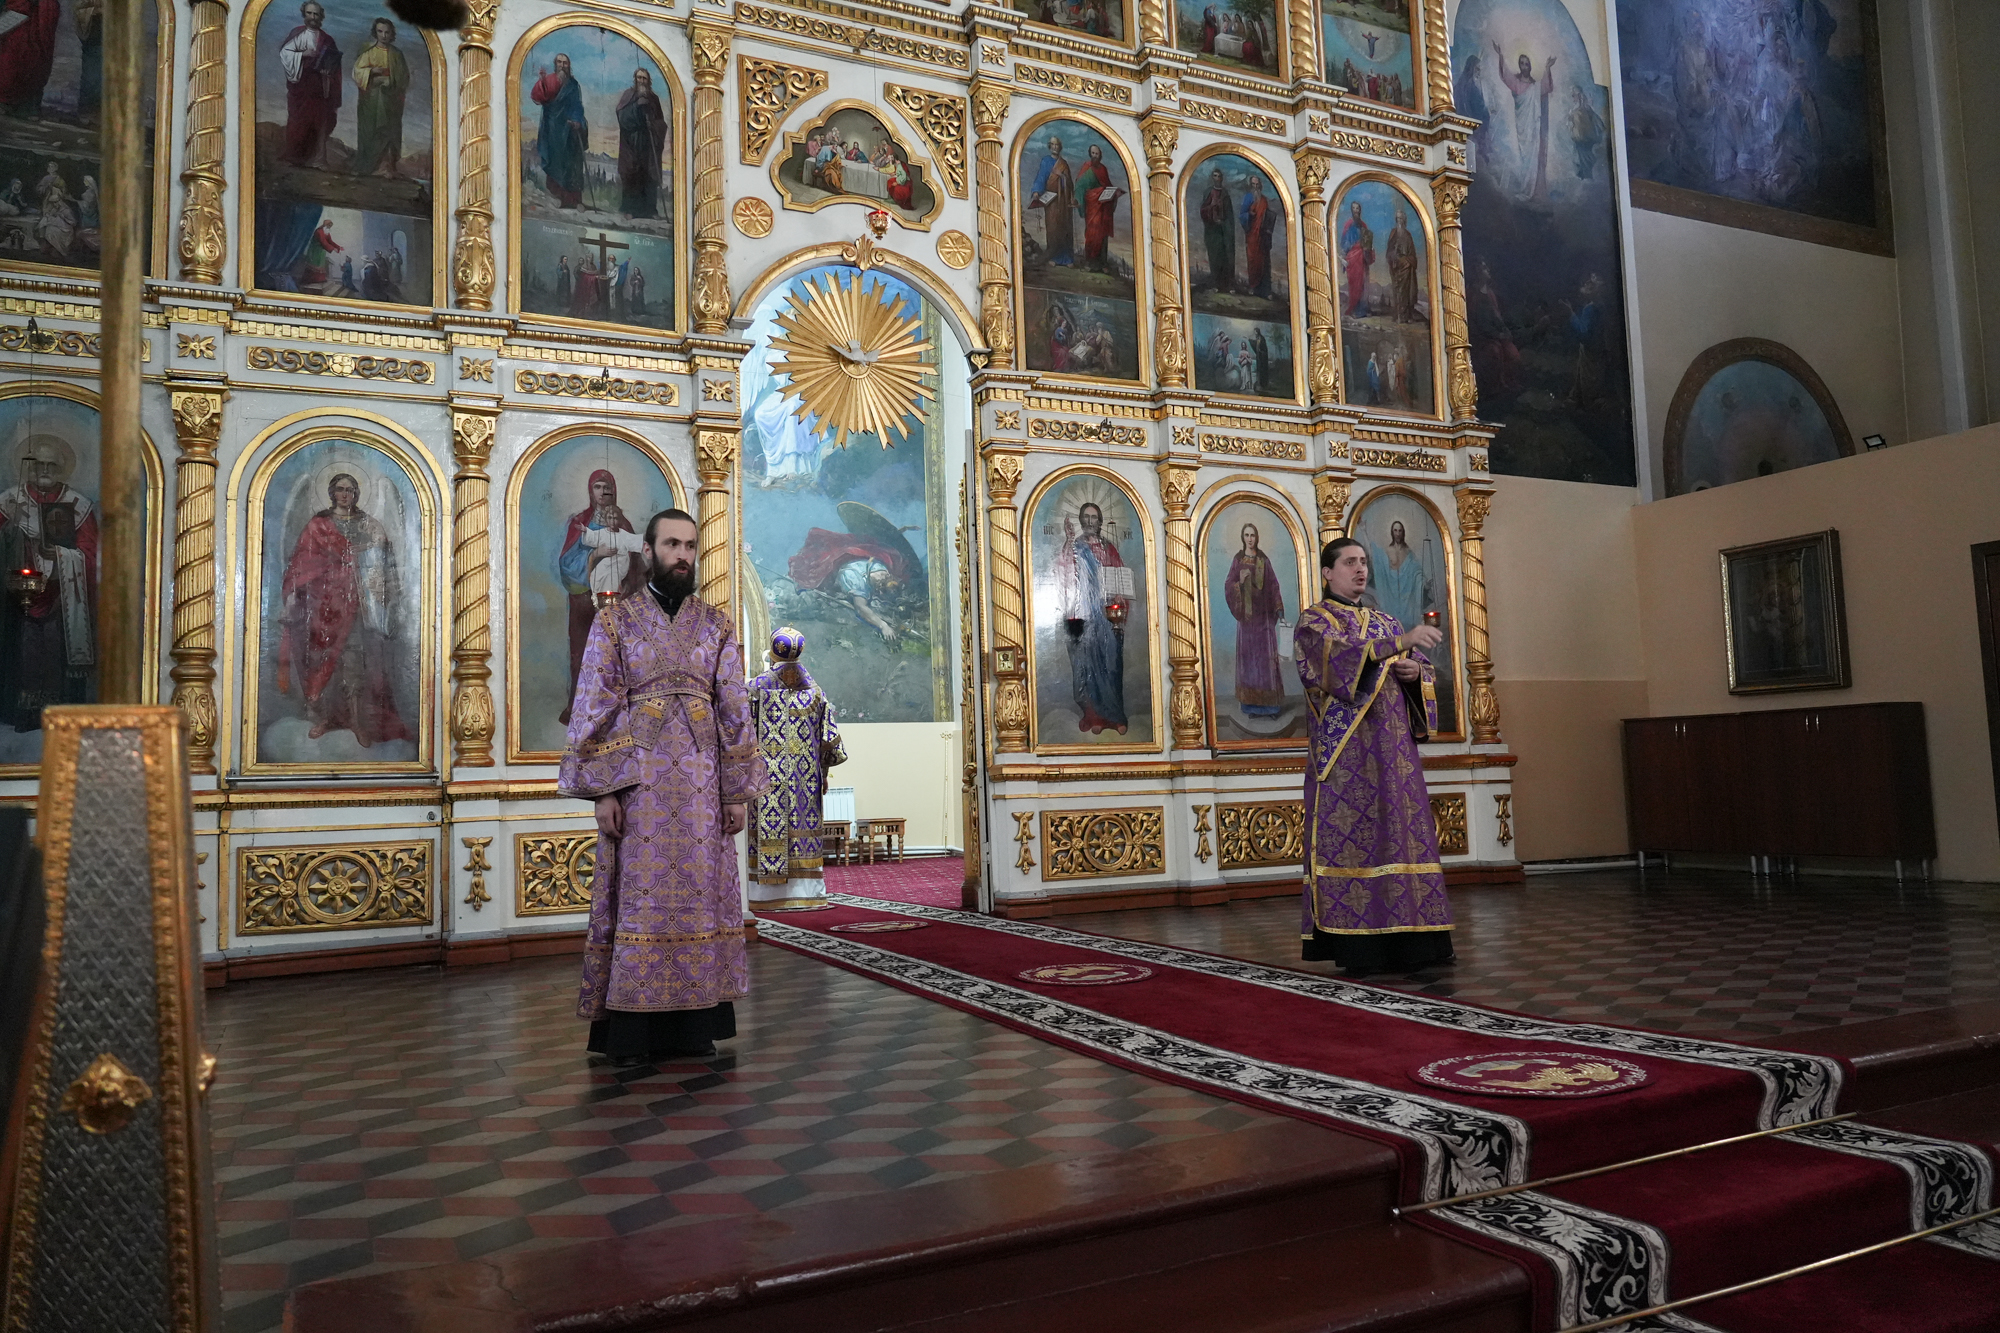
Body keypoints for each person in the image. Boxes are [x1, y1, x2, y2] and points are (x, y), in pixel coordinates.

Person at [561, 509, 768, 1066]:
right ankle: (631, 1032)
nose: (683, 555)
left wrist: (736, 791)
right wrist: (604, 791)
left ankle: (695, 1026)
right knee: (641, 901)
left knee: (700, 899)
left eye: (690, 546)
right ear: (648, 551)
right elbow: (596, 703)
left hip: (702, 787)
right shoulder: (616, 621)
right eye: (672, 544)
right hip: (639, 786)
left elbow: (734, 708)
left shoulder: (717, 624)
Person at [1294, 538, 1452, 976]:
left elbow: (1417, 668)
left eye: (1363, 562)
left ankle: (1417, 943)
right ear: (1328, 573)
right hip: (1347, 760)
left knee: (1402, 837)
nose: (1360, 569)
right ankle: (1360, 947)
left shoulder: (1385, 621)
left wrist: (1414, 671)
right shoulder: (1315, 621)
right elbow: (1337, 664)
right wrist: (1400, 643)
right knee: (1358, 843)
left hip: (1395, 758)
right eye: (1350, 562)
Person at [276, 472, 411, 748]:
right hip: (324, 606)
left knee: (353, 663)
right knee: (326, 664)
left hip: (355, 607)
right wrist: (294, 597)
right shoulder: (319, 524)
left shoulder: (367, 524)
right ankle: (327, 719)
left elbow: (383, 558)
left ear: (357, 494)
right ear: (332, 492)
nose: (345, 494)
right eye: (340, 489)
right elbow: (301, 563)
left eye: (350, 490)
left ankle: (357, 722)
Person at [745, 628, 846, 911]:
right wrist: (823, 773)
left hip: (762, 779)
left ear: (773, 652)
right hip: (805, 780)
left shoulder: (753, 690)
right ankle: (806, 894)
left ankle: (764, 896)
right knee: (801, 829)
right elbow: (829, 742)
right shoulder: (815, 692)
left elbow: (741, 734)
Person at [0, 436, 97, 729]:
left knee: (54, 654)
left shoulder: (78, 506)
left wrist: (59, 554)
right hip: (16, 596)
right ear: (28, 467)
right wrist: (11, 528)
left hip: (60, 596)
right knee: (22, 654)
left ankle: (57, 713)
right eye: (38, 464)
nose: (44, 470)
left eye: (51, 465)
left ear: (61, 468)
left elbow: (90, 553)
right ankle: (22, 712)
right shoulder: (9, 500)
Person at [557, 469, 646, 724]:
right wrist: (595, 555)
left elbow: (637, 565)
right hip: (585, 600)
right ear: (590, 490)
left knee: (617, 657)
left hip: (617, 600)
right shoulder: (580, 523)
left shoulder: (623, 525)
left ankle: (615, 712)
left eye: (607, 487)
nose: (603, 492)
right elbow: (567, 564)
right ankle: (579, 710)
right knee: (583, 654)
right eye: (598, 487)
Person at [1055, 501, 1130, 734]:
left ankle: (1115, 717)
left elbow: (1119, 575)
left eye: (1093, 517)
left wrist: (1119, 598)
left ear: (1099, 521)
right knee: (1087, 663)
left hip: (1106, 616)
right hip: (1085, 614)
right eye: (1086, 517)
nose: (1089, 521)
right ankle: (1094, 716)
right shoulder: (1075, 546)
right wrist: (1069, 541)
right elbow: (1064, 572)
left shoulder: (1109, 548)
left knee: (1111, 663)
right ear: (1081, 520)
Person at [1223, 522, 1284, 717]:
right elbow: (1229, 584)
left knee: (1266, 661)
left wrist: (1278, 607)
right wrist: (1239, 582)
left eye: (1252, 535)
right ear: (1243, 538)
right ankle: (1250, 706)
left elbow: (1273, 585)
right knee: (1249, 661)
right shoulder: (1238, 559)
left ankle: (1271, 706)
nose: (1250, 539)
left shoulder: (1263, 560)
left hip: (1264, 618)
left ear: (1257, 537)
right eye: (1247, 535)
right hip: (1247, 620)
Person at [279, 1, 343, 168]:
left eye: (316, 14)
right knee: (299, 120)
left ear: (321, 16)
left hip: (320, 88)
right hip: (301, 86)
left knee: (319, 122)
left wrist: (328, 71)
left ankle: (317, 159)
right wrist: (302, 54)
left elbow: (335, 65)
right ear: (304, 14)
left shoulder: (327, 39)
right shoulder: (297, 34)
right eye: (309, 13)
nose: (313, 17)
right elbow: (285, 53)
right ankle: (295, 157)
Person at [351, 18, 409, 179]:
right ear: (375, 33)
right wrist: (371, 72)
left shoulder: (397, 55)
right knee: (372, 132)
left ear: (392, 34)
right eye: (380, 32)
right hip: (371, 101)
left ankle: (386, 166)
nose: (383, 35)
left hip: (391, 101)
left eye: (387, 32)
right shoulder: (368, 53)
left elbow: (404, 77)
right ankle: (369, 166)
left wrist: (391, 82)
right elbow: (357, 72)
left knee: (389, 132)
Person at [531, 53, 588, 208]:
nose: (562, 65)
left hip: (568, 129)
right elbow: (538, 97)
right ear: (555, 64)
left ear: (569, 66)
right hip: (552, 128)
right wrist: (542, 82)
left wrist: (577, 120)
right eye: (559, 62)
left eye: (565, 63)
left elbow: (577, 105)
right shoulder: (549, 80)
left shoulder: (573, 84)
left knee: (570, 164)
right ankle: (556, 196)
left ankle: (573, 200)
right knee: (554, 160)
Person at [615, 68, 668, 218]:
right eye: (639, 78)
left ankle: (650, 210)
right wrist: (637, 106)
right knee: (632, 174)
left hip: (649, 145)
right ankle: (630, 210)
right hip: (631, 143)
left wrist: (653, 125)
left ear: (648, 81)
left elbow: (661, 122)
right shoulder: (628, 95)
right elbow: (622, 116)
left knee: (649, 175)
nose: (641, 81)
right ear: (635, 79)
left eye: (644, 78)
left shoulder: (654, 99)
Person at [0, 0, 59, 120]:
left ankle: (15, 104)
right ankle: (26, 106)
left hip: (25, 17)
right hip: (35, 13)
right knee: (30, 60)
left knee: (16, 60)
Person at [1028, 136, 1075, 267]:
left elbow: (1070, 184)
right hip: (1051, 200)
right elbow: (1041, 177)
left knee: (1064, 227)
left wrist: (1062, 176)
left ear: (1060, 147)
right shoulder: (1046, 161)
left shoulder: (1063, 164)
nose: (1055, 147)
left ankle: (1066, 258)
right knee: (1053, 227)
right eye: (1053, 144)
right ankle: (1054, 257)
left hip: (1063, 202)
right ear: (1050, 146)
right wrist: (1036, 191)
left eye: (1057, 145)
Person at [1076, 144, 1122, 274]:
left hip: (1103, 208)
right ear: (1090, 154)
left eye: (1097, 154)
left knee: (1102, 235)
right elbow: (1079, 186)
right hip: (1092, 206)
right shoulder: (1087, 168)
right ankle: (1090, 262)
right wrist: (1080, 199)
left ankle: (1102, 263)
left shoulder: (1103, 169)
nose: (1095, 156)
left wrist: (1115, 192)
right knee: (1092, 233)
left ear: (1100, 155)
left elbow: (1107, 185)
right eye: (1093, 153)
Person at [1239, 172, 1278, 300]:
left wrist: (1268, 226)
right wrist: (1249, 215)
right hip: (1252, 235)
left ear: (1260, 186)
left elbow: (1267, 215)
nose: (1255, 187)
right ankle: (1253, 287)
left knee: (1265, 262)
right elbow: (1242, 215)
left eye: (1257, 184)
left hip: (1263, 235)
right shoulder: (1248, 198)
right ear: (1250, 186)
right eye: (1253, 184)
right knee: (1253, 261)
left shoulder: (1264, 200)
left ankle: (1265, 290)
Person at [1199, 167, 1234, 292]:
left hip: (1223, 230)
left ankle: (1227, 285)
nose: (1217, 179)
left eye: (1219, 176)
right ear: (1212, 178)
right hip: (1212, 230)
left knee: (1225, 257)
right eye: (1215, 176)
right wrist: (1211, 207)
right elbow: (1203, 210)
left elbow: (1229, 214)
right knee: (1215, 257)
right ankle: (1216, 284)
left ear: (1222, 178)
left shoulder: (1225, 194)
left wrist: (1225, 225)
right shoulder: (1209, 192)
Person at [1339, 200, 1373, 318]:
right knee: (1354, 283)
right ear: (1351, 210)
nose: (1356, 211)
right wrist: (1344, 256)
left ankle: (1362, 308)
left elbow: (1368, 241)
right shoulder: (1348, 225)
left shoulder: (1363, 226)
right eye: (1354, 208)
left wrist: (1368, 250)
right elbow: (1344, 242)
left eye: (1357, 208)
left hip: (1362, 257)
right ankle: (1354, 308)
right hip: (1353, 258)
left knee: (1363, 283)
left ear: (1360, 210)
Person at [1387, 207, 1419, 323]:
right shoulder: (1393, 233)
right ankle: (1399, 315)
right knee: (1398, 292)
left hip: (1407, 268)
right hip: (1397, 267)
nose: (1399, 221)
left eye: (1401, 219)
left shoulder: (1408, 235)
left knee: (1407, 292)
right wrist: (1395, 258)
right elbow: (1389, 251)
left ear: (1404, 220)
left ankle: (1406, 316)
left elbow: (1412, 253)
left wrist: (1408, 261)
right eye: (1398, 219)